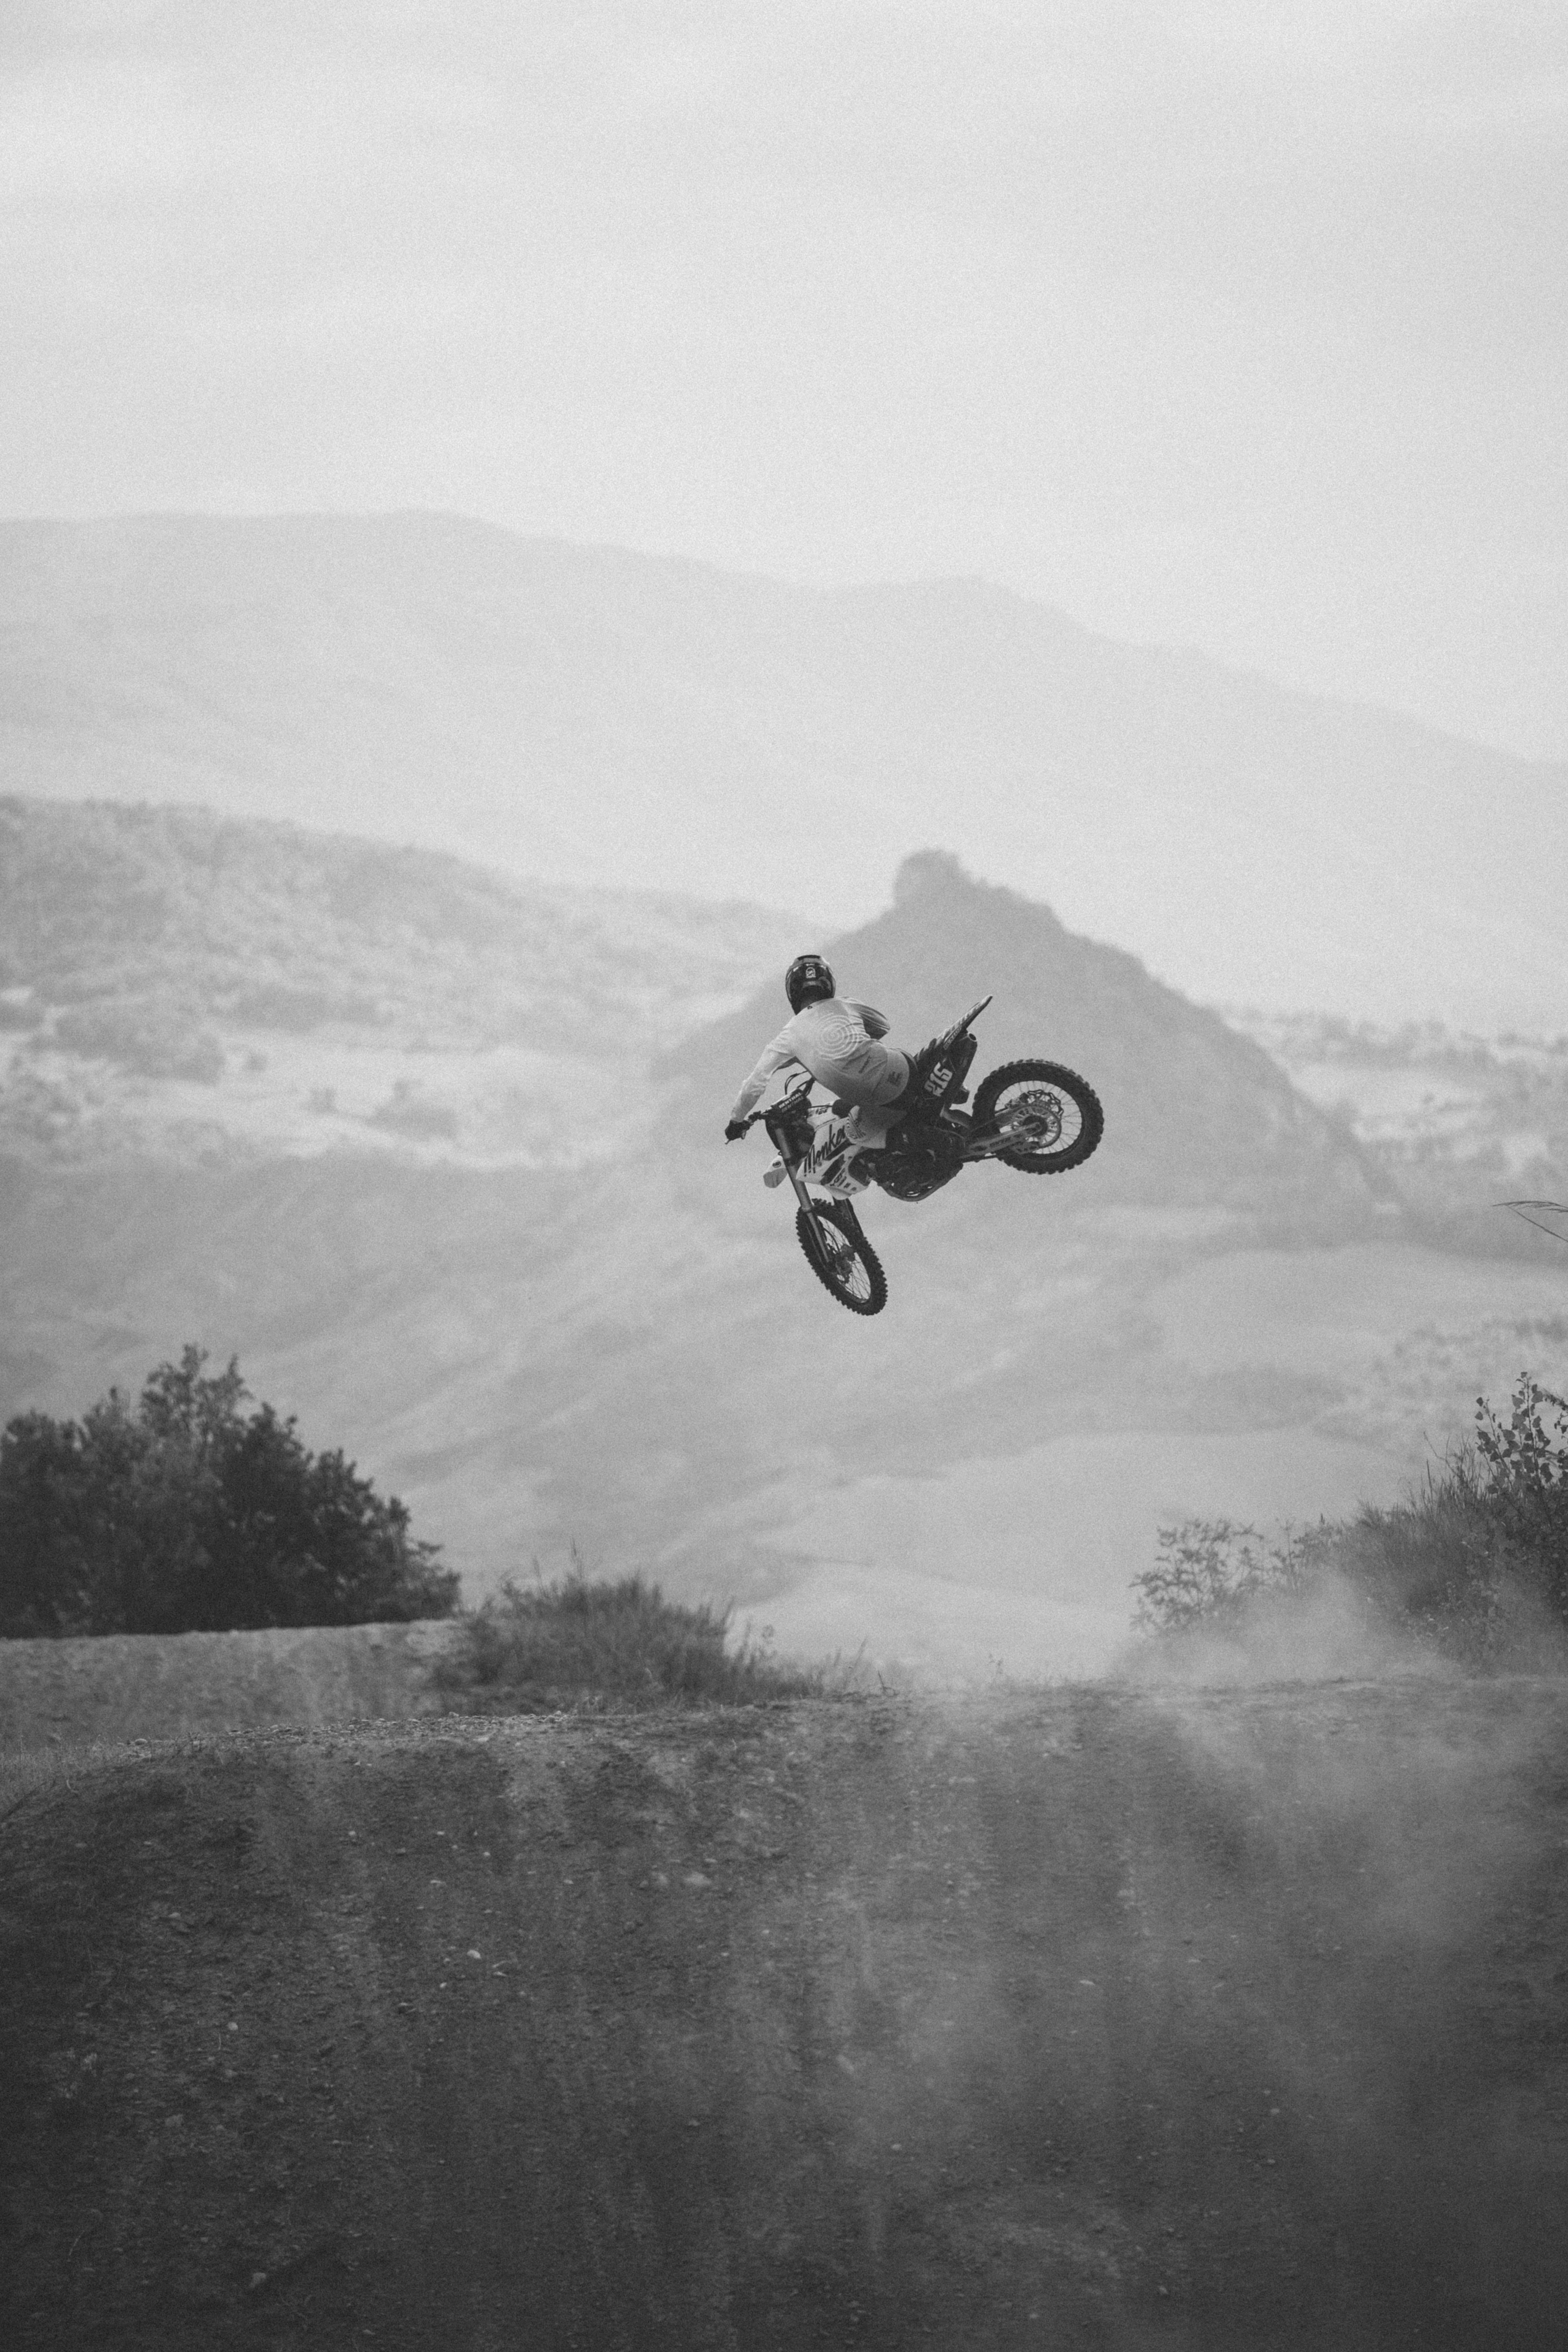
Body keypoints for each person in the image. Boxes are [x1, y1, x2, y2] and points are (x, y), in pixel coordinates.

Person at [724, 955, 913, 1160]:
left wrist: (736, 1121)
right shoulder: (846, 1004)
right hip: (899, 1071)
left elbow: (755, 1084)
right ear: (828, 983)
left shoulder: (788, 1036)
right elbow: (883, 1026)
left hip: (868, 1098)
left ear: (793, 992)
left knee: (853, 1133)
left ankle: (906, 1147)